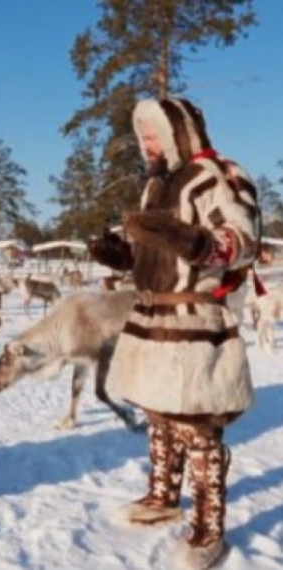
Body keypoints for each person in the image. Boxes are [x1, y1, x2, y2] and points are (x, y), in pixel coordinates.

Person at [89, 98, 259, 570]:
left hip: (195, 320)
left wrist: (191, 240)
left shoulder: (219, 174)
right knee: (159, 416)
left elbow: (243, 240)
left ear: (179, 133)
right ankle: (163, 495)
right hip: (152, 320)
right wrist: (122, 256)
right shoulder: (155, 187)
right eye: (142, 137)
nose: (147, 146)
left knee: (196, 427)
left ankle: (208, 525)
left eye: (154, 136)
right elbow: (153, 257)